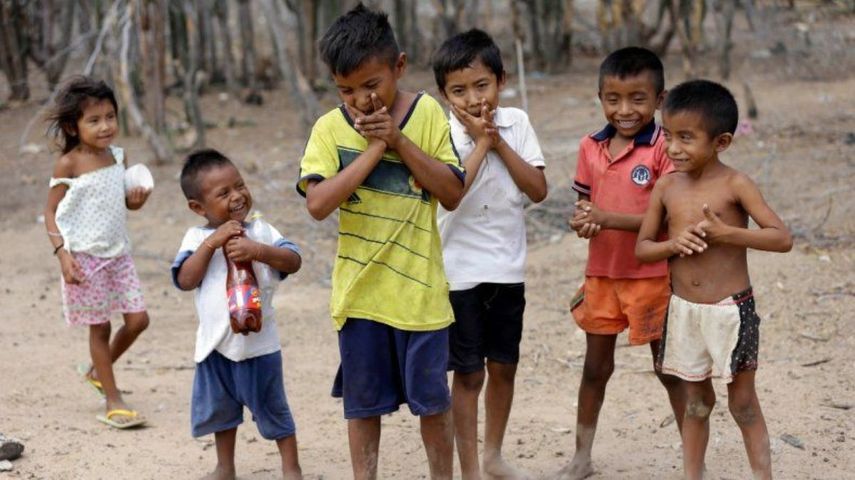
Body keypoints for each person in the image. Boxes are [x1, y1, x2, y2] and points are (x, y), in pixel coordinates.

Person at [296, 4, 464, 479]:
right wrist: (374, 148)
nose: (360, 100)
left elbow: (452, 191)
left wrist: (400, 142)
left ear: (399, 66)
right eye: (346, 90)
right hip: (360, 296)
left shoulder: (428, 113)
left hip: (421, 295)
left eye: (372, 85)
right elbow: (318, 204)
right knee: (362, 407)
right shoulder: (329, 129)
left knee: (433, 404)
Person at [636, 80, 792, 480]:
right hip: (684, 312)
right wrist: (673, 244)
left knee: (742, 403)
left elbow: (782, 238)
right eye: (668, 135)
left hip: (731, 312)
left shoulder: (735, 184)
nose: (673, 148)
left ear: (721, 141)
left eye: (686, 138)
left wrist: (730, 235)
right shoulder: (666, 186)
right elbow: (643, 248)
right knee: (696, 402)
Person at [559, 47, 685, 479]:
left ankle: (693, 458)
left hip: (652, 276)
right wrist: (583, 221)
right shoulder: (590, 147)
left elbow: (668, 216)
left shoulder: (663, 149)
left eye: (637, 98)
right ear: (600, 97)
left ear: (659, 99)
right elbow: (584, 206)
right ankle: (582, 457)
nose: (625, 109)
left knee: (668, 368)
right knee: (595, 369)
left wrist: (607, 218)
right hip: (602, 275)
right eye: (613, 99)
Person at [431, 29, 547, 480]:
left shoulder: (516, 122)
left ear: (501, 80)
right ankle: (471, 468)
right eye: (459, 91)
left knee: (503, 366)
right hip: (458, 271)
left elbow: (537, 189)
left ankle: (494, 454)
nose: (474, 99)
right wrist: (482, 142)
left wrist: (499, 141)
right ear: (444, 96)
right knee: (469, 374)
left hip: (507, 266)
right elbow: (451, 196)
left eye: (482, 85)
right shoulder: (439, 131)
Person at [171, 150, 303, 480]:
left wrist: (258, 251)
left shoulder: (260, 231)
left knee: (274, 410)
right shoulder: (197, 238)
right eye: (223, 193)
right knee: (222, 414)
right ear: (198, 207)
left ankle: (292, 468)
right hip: (215, 347)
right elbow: (186, 280)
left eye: (240, 185)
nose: (237, 196)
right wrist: (211, 245)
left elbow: (293, 260)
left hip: (260, 348)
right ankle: (224, 467)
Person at [44, 76, 151, 429]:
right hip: (85, 258)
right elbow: (50, 212)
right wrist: (62, 255)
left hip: (119, 255)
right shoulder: (69, 164)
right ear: (73, 127)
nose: (105, 126)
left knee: (138, 321)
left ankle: (96, 371)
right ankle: (112, 398)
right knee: (100, 328)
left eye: (110, 117)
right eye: (94, 120)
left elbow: (119, 204)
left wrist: (136, 201)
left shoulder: (118, 156)